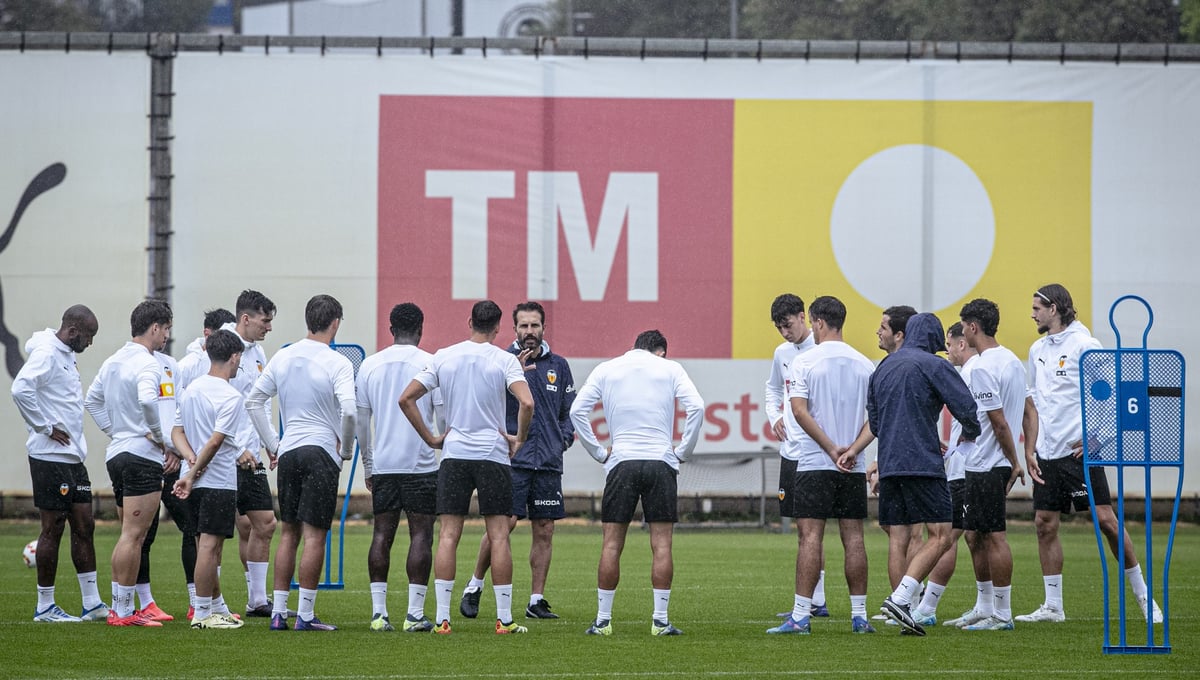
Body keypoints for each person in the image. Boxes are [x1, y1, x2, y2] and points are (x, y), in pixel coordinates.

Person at [1017, 284, 1162, 624]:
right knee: (1044, 523)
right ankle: (1053, 607)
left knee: (1106, 521)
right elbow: (1034, 404)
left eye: (1037, 307)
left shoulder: (1086, 346)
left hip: (1079, 452)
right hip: (1047, 453)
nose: (1032, 313)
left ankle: (1144, 597)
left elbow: (1112, 394)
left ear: (1055, 308)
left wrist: (1100, 439)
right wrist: (1030, 448)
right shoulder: (1036, 348)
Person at [398, 300, 534, 635]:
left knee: (447, 535)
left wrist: (431, 437)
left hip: (455, 453)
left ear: (469, 321)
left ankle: (443, 619)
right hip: (492, 454)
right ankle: (504, 620)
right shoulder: (504, 360)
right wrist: (519, 438)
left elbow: (406, 398)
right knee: (499, 536)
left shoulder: (443, 355)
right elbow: (527, 402)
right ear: (499, 327)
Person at [570, 330, 704, 637]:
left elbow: (577, 411)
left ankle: (603, 621)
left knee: (612, 543)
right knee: (661, 544)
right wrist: (681, 452)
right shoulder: (670, 368)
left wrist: (601, 455)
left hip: (622, 461)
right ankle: (660, 621)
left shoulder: (607, 368)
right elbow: (696, 407)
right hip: (660, 461)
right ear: (660, 352)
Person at [859, 312, 980, 636]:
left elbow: (876, 420)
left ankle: (905, 612)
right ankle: (901, 598)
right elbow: (966, 407)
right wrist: (971, 431)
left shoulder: (883, 367)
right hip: (922, 462)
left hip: (890, 462)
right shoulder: (934, 364)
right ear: (934, 340)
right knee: (942, 533)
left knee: (899, 538)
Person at [461, 301, 576, 621]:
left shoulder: (559, 366)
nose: (529, 332)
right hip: (512, 460)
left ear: (543, 328)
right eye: (523, 326)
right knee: (504, 524)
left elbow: (570, 411)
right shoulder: (502, 361)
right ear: (513, 330)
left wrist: (563, 438)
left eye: (534, 326)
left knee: (544, 528)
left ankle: (536, 600)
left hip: (548, 461)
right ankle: (474, 585)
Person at [247, 294, 356, 632]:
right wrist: (347, 451)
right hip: (321, 450)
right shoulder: (337, 361)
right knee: (315, 536)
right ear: (335, 323)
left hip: (290, 451)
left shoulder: (283, 355)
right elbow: (350, 411)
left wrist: (274, 444)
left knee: (289, 533)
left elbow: (254, 401)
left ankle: (279, 612)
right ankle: (305, 615)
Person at [766, 296, 875, 635]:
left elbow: (799, 410)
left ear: (817, 321)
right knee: (854, 537)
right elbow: (876, 418)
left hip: (815, 460)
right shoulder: (865, 364)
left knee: (810, 536)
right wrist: (852, 450)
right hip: (851, 465)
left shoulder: (806, 361)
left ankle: (801, 615)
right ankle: (860, 616)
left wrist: (830, 449)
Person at [180, 292, 279, 618]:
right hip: (221, 458)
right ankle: (207, 605)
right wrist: (187, 455)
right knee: (211, 535)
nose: (268, 327)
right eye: (265, 321)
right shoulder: (212, 352)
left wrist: (269, 442)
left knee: (263, 524)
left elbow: (260, 402)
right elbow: (193, 405)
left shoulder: (259, 352)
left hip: (250, 455)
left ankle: (257, 600)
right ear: (246, 319)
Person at [11, 304, 107, 623]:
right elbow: (21, 389)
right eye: (89, 336)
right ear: (73, 331)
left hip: (72, 457)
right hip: (49, 456)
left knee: (85, 523)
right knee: (53, 527)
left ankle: (92, 603)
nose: (90, 342)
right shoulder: (48, 354)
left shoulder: (66, 354)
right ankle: (45, 606)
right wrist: (45, 427)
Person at [84, 299, 173, 627]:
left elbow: (91, 400)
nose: (166, 337)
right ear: (154, 328)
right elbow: (149, 400)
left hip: (118, 453)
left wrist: (115, 430)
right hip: (140, 455)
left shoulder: (112, 361)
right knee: (134, 536)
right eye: (165, 330)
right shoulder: (149, 363)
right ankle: (122, 612)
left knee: (128, 534)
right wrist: (157, 435)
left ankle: (121, 609)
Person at [356, 303, 443, 633]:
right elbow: (441, 415)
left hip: (385, 463)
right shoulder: (430, 362)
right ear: (421, 328)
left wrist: (368, 464)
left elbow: (363, 422)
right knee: (421, 534)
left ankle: (379, 615)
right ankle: (414, 614)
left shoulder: (369, 365)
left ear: (390, 328)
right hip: (420, 464)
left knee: (381, 534)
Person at [949, 299, 1026, 631]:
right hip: (986, 463)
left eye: (964, 325)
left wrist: (1014, 461)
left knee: (994, 537)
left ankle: (1002, 614)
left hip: (987, 463)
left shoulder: (981, 366)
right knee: (973, 535)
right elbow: (1021, 413)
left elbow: (999, 423)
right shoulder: (1013, 362)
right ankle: (984, 606)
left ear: (972, 327)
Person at [171, 329, 248, 630]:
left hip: (194, 477)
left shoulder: (192, 389)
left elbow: (177, 431)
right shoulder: (231, 396)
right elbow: (215, 442)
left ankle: (216, 606)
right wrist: (193, 472)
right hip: (216, 480)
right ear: (234, 357)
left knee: (206, 545)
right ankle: (202, 614)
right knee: (209, 547)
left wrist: (190, 460)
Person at [763, 294, 828, 618]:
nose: (784, 333)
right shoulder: (782, 353)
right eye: (779, 328)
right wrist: (774, 416)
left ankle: (816, 600)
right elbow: (773, 389)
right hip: (791, 452)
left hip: (818, 451)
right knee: (804, 529)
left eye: (787, 325)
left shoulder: (823, 348)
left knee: (815, 528)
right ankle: (816, 600)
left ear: (803, 317)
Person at [911, 322, 978, 627]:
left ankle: (924, 606)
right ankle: (990, 605)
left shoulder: (969, 372)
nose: (947, 350)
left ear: (962, 343)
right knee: (976, 537)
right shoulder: (996, 365)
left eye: (950, 344)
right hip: (971, 465)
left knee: (945, 537)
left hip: (968, 468)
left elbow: (977, 417)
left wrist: (968, 436)